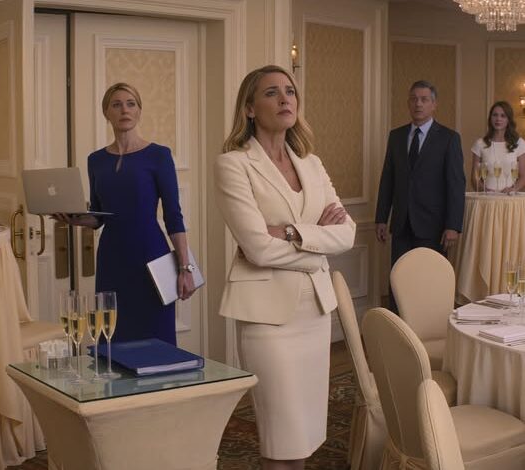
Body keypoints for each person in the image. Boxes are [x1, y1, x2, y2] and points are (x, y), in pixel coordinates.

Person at [215, 65, 355, 470]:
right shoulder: (233, 165)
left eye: (290, 91)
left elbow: (346, 234)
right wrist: (316, 241)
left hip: (315, 314)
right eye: (271, 92)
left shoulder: (312, 163)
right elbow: (258, 248)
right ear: (249, 109)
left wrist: (290, 232)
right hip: (267, 320)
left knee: (306, 438)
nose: (284, 99)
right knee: (281, 440)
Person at [54, 82, 194, 345]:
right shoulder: (96, 160)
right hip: (112, 259)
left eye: (131, 104)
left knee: (156, 339)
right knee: (113, 337)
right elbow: (100, 216)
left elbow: (174, 217)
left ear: (139, 111)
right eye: (116, 105)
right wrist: (75, 219)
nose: (124, 110)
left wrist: (185, 268)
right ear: (106, 112)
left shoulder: (159, 155)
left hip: (151, 257)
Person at [375, 80, 465, 307]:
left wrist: (453, 226)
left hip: (434, 227)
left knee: (429, 283)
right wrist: (381, 218)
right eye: (414, 99)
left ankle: (429, 326)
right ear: (408, 103)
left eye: (424, 100)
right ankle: (396, 326)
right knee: (398, 282)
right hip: (401, 225)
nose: (418, 104)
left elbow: (456, 185)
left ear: (434, 104)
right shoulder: (396, 136)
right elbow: (388, 180)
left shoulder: (449, 138)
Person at [471, 101, 525, 193]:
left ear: (509, 120)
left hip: (510, 198)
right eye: (495, 115)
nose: (498, 119)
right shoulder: (480, 144)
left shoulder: (519, 143)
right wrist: (484, 190)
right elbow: (474, 178)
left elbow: (523, 177)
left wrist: (513, 190)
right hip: (487, 198)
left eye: (503, 116)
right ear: (490, 118)